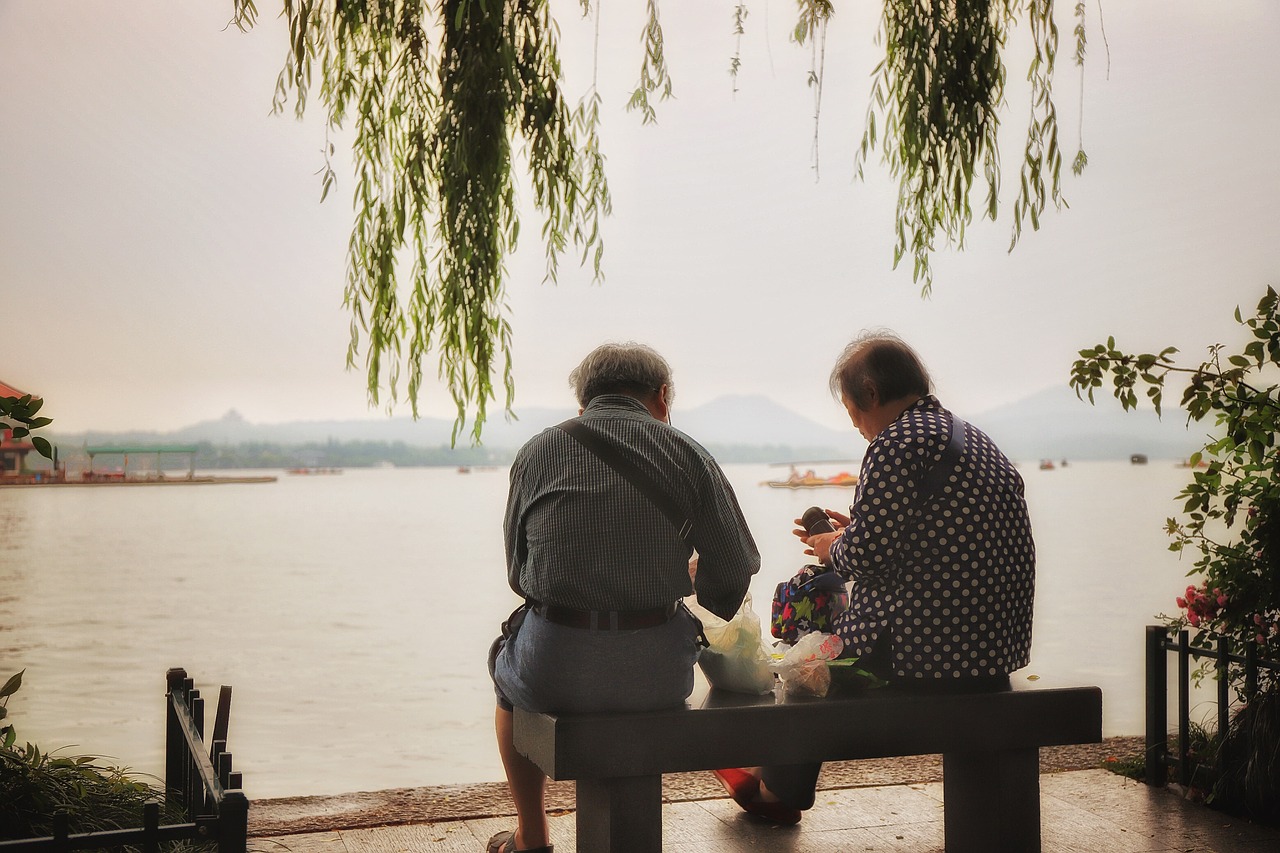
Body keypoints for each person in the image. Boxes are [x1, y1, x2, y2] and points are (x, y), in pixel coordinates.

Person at [715, 330, 1035, 824]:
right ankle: (774, 779)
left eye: (852, 412)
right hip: (993, 649)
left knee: (809, 668)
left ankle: (778, 789)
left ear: (869, 395)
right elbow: (932, 539)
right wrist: (857, 533)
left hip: (927, 654)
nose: (858, 427)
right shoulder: (974, 438)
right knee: (820, 649)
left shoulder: (895, 444)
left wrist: (830, 546)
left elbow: (863, 558)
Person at [487, 342, 760, 853]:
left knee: (504, 668)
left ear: (583, 404)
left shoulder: (537, 451)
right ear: (661, 397)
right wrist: (690, 581)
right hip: (655, 675)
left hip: (554, 668)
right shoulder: (688, 452)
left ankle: (532, 836)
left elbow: (519, 573)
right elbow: (736, 567)